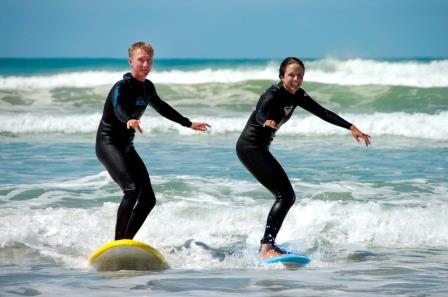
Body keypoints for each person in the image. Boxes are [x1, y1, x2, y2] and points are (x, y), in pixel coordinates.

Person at [236, 57, 371, 259]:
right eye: (291, 75)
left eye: (300, 75)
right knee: (286, 195)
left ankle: (267, 245)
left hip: (259, 148)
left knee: (286, 196)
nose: (296, 79)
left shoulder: (298, 95)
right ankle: (266, 247)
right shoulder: (272, 93)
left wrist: (350, 127)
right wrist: (267, 121)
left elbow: (323, 112)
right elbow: (260, 112)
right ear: (282, 76)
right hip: (250, 147)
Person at [96, 42, 210, 240]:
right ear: (131, 61)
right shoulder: (121, 87)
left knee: (148, 199)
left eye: (149, 60)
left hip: (126, 146)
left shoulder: (147, 88)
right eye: (141, 60)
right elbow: (118, 107)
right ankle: (117, 243)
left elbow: (162, 107)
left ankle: (126, 241)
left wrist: (188, 123)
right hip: (108, 143)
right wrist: (128, 119)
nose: (145, 64)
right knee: (131, 190)